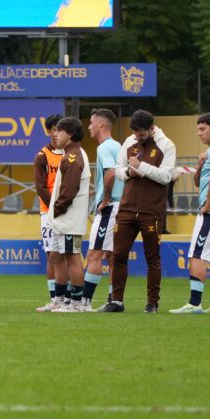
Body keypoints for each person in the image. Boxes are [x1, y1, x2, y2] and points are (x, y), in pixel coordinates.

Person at [99, 110, 175, 313]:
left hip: (151, 210)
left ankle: (152, 303)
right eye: (136, 134)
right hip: (126, 208)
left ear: (151, 128)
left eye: (141, 134)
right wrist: (129, 172)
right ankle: (116, 301)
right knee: (118, 255)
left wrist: (142, 167)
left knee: (152, 257)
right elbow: (119, 170)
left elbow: (166, 176)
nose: (138, 138)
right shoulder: (129, 142)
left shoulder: (166, 145)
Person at [170, 112, 210, 315]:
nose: (198, 133)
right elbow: (200, 182)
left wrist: (207, 205)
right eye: (198, 129)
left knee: (197, 255)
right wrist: (199, 166)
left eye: (202, 128)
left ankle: (194, 303)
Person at [45, 117, 90, 312]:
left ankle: (78, 303)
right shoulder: (70, 154)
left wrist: (57, 209)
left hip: (69, 218)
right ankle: (61, 300)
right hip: (63, 218)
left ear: (70, 134)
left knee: (72, 257)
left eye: (60, 131)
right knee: (59, 256)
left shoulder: (73, 157)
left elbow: (70, 189)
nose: (55, 134)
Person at [83, 108, 124, 309]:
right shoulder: (120, 146)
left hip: (110, 206)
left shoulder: (104, 148)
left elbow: (110, 173)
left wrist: (105, 200)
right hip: (121, 205)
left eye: (91, 122)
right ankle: (114, 300)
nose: (89, 127)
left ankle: (84, 302)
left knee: (94, 254)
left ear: (101, 124)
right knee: (112, 255)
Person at [33, 114, 68, 312]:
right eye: (54, 129)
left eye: (60, 130)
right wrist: (56, 207)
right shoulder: (42, 156)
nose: (57, 134)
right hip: (49, 211)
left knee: (68, 254)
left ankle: (69, 297)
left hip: (69, 210)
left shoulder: (71, 153)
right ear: (49, 131)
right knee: (52, 255)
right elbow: (41, 187)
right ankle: (55, 298)